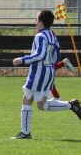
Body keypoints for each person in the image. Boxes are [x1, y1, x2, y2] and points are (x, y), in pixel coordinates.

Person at [11, 9, 81, 138]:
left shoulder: (40, 36)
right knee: (39, 104)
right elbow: (57, 55)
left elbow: (40, 55)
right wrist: (49, 66)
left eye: (36, 19)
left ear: (41, 22)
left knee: (29, 100)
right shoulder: (52, 36)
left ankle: (26, 133)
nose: (35, 21)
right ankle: (70, 105)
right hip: (48, 72)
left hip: (39, 72)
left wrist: (22, 59)